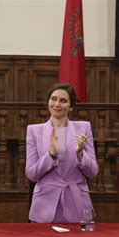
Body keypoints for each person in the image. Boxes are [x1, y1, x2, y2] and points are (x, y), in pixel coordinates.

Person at [26, 83, 98, 223]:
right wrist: (51, 155)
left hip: (78, 206)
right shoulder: (34, 131)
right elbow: (31, 174)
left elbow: (93, 172)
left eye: (63, 101)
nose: (57, 104)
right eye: (53, 99)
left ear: (71, 107)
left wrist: (80, 155)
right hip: (44, 208)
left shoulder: (84, 128)